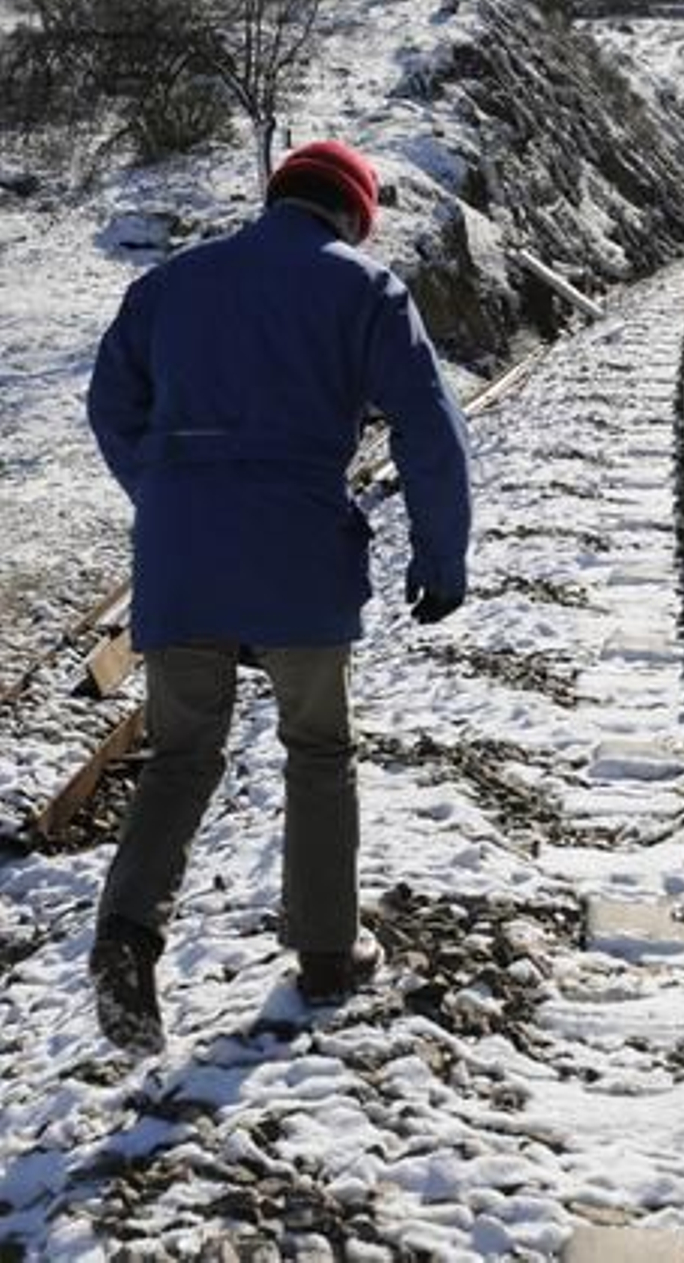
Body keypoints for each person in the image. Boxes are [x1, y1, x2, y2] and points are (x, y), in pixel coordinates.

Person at [85, 139, 471, 1055]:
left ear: (278, 198)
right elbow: (428, 425)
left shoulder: (172, 285)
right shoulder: (365, 289)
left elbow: (110, 404)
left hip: (183, 555)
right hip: (299, 546)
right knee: (317, 745)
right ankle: (330, 951)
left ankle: (128, 934)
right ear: (351, 214)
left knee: (182, 753)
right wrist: (439, 554)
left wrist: (171, 492)